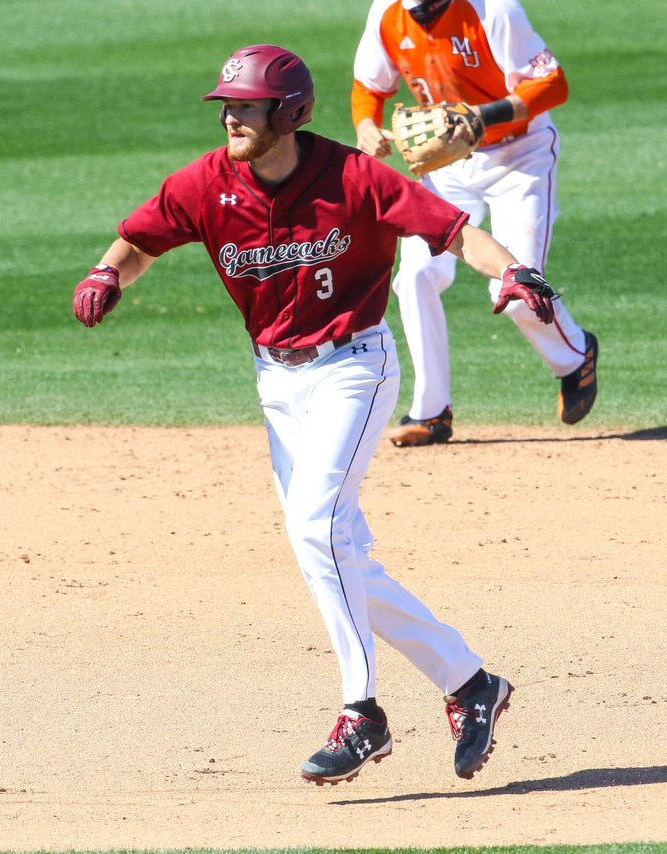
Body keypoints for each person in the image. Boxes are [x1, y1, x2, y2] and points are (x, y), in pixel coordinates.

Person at [71, 45, 547, 786]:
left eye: (246, 107)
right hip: (276, 383)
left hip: (355, 369)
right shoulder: (205, 185)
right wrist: (107, 273)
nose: (231, 118)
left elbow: (453, 230)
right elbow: (139, 239)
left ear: (289, 112)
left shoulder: (355, 177)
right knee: (336, 551)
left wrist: (512, 269)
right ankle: (470, 683)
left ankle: (363, 714)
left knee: (315, 528)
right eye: (228, 106)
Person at [352, 0, 599, 446]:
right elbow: (368, 86)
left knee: (518, 291)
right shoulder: (387, 12)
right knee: (416, 277)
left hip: (518, 155)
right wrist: (365, 125)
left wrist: (483, 115)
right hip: (445, 161)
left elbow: (552, 84)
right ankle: (431, 412)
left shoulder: (495, 10)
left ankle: (575, 356)